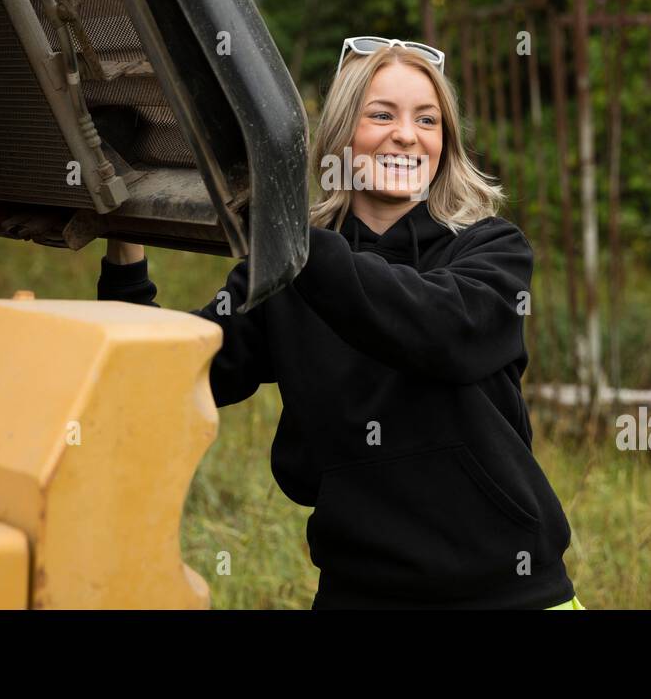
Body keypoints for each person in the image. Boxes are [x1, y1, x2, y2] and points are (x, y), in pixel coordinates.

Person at [99, 37, 583, 610]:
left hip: (510, 594)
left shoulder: (490, 251)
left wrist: (290, 236)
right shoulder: (283, 274)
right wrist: (123, 242)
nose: (407, 134)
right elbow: (168, 378)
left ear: (445, 143)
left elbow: (437, 329)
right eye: (382, 114)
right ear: (341, 136)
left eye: (427, 119)